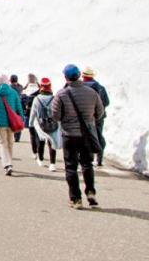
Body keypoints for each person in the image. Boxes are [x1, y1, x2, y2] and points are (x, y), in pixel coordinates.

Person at [51, 64, 105, 208]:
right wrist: (89, 120)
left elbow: (55, 115)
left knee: (71, 167)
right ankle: (91, 192)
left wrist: (66, 118)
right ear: (79, 75)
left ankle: (75, 199)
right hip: (87, 134)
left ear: (66, 77)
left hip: (69, 135)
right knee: (87, 164)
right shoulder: (92, 93)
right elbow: (100, 113)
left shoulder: (61, 94)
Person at [0, 73, 23, 175]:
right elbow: (18, 106)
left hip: (0, 122)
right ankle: (10, 163)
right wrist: (21, 117)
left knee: (3, 143)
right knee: (10, 142)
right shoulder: (13, 93)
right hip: (12, 122)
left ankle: (7, 164)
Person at [28, 77, 60, 172]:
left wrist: (30, 125)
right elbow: (57, 112)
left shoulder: (37, 99)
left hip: (40, 123)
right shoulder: (54, 98)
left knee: (41, 141)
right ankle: (52, 164)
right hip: (52, 123)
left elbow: (33, 114)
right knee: (52, 143)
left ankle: (41, 159)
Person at [82, 67, 110, 166]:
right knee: (98, 135)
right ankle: (99, 158)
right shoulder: (100, 88)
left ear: (83, 76)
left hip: (84, 117)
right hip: (99, 117)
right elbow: (106, 102)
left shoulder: (79, 88)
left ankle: (88, 157)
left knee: (85, 136)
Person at [21, 73, 41, 158]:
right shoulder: (39, 89)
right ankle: (40, 151)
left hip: (29, 115)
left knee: (32, 134)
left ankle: (34, 152)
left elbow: (22, 103)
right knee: (39, 134)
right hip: (39, 115)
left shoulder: (25, 90)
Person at [9, 75, 25, 143]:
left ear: (10, 80)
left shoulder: (9, 88)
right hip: (20, 107)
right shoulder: (20, 87)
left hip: (12, 107)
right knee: (18, 121)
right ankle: (17, 137)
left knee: (11, 122)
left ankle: (10, 136)